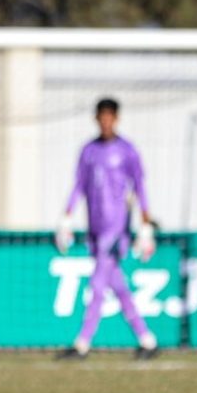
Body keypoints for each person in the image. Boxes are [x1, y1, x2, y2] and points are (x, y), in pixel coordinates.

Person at [55, 97, 158, 360]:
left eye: (110, 117)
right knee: (119, 287)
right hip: (95, 227)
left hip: (116, 228)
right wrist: (67, 216)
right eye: (102, 118)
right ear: (97, 119)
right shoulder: (88, 151)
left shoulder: (127, 151)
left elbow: (140, 186)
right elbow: (79, 185)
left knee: (98, 285)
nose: (106, 122)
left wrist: (145, 223)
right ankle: (147, 339)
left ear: (116, 119)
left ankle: (82, 343)